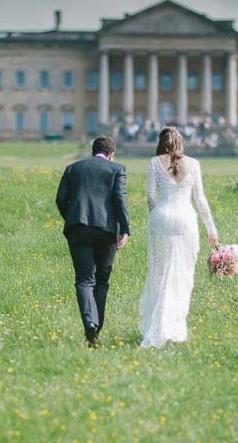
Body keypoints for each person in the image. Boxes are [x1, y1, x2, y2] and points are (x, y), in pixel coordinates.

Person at [139, 127, 218, 348]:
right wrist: (211, 229)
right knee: (182, 274)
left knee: (160, 272)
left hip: (161, 219)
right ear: (181, 143)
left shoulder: (155, 162)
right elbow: (200, 200)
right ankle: (174, 327)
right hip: (185, 221)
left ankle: (159, 324)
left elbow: (150, 196)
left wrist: (156, 213)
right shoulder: (193, 164)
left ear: (161, 143)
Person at [56, 136, 130, 347]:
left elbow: (60, 199)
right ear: (111, 154)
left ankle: (89, 322)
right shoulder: (116, 169)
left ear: (93, 151)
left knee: (84, 280)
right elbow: (120, 200)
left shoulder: (73, 168)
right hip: (106, 231)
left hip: (77, 229)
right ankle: (96, 329)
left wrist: (72, 217)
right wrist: (124, 229)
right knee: (102, 281)